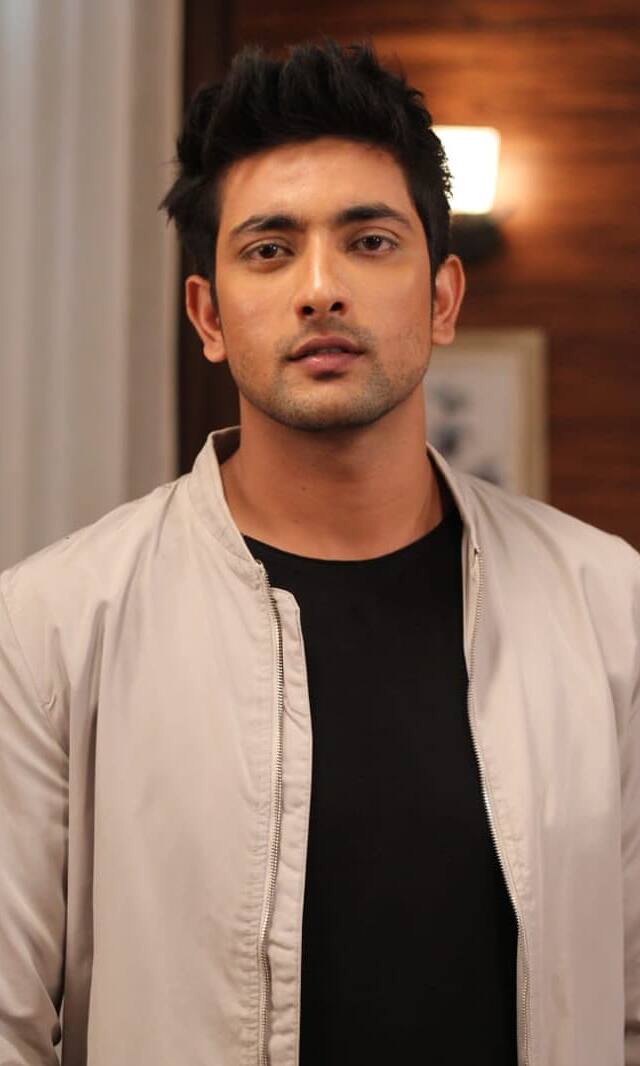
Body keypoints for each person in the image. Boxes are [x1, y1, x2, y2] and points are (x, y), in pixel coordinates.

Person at [0, 37, 638, 1066]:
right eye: (269, 249)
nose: (320, 289)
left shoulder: (609, 607)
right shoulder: (50, 629)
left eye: (370, 241)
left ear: (442, 299)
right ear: (208, 315)